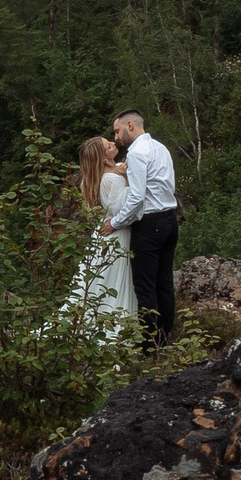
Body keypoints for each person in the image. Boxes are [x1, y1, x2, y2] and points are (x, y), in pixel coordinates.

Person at [103, 108, 180, 346]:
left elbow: (137, 198)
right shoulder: (160, 148)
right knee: (165, 283)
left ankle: (148, 346)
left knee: (145, 287)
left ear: (130, 125)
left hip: (149, 224)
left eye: (117, 131)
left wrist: (114, 223)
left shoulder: (137, 153)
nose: (116, 137)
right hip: (170, 219)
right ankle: (165, 340)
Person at [66, 135, 138, 320]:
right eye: (108, 146)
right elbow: (120, 208)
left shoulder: (106, 176)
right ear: (102, 157)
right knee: (114, 279)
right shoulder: (112, 179)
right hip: (117, 232)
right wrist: (130, 180)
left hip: (106, 232)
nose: (113, 144)